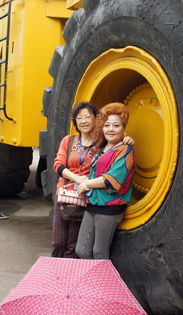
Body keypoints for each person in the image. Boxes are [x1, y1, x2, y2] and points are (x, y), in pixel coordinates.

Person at [52, 101, 134, 258]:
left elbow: (113, 170)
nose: (83, 121)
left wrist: (128, 139)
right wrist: (79, 179)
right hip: (68, 195)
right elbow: (58, 165)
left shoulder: (101, 144)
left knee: (75, 245)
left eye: (87, 117)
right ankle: (58, 274)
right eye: (79, 117)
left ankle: (78, 277)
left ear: (96, 120)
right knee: (60, 243)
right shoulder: (69, 141)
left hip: (87, 197)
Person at [75, 102, 135, 260]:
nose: (111, 129)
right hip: (92, 204)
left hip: (110, 207)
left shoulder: (126, 150)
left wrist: (86, 184)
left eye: (116, 125)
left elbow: (112, 179)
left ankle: (101, 284)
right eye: (107, 125)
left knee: (99, 252)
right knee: (81, 250)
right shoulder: (100, 149)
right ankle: (92, 283)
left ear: (123, 128)